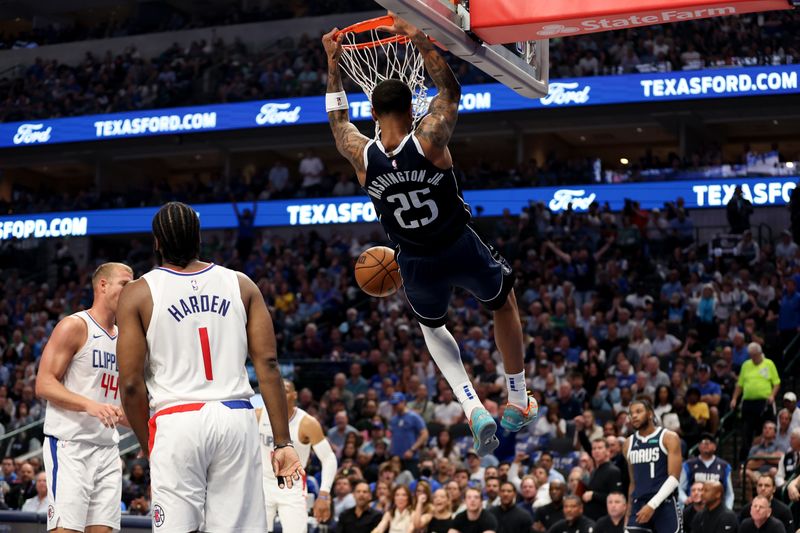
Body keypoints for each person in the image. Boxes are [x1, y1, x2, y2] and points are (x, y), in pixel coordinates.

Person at [323, 13, 536, 457]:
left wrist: (333, 62)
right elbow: (450, 92)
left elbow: (337, 119)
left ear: (374, 113)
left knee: (431, 327)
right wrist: (419, 38)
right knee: (503, 301)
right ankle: (516, 399)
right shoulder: (430, 138)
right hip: (459, 243)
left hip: (414, 261)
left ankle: (472, 406)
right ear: (410, 107)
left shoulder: (360, 153)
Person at [117, 201, 304, 532]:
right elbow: (268, 365)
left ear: (156, 242)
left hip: (176, 419)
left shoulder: (138, 293)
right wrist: (282, 442)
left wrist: (149, 447)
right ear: (199, 238)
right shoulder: (241, 284)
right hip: (235, 415)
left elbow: (130, 383)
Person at [35, 262, 133, 532]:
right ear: (103, 285)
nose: (131, 290)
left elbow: (118, 405)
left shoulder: (127, 338)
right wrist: (90, 405)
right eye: (124, 284)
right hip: (71, 447)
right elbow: (43, 383)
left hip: (107, 449)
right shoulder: (75, 326)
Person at [257, 379, 339, 532]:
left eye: (285, 390)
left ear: (294, 395)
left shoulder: (307, 423)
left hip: (292, 486)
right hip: (263, 482)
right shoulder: (259, 415)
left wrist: (324, 494)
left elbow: (329, 458)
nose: (279, 393)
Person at [624, 398, 682, 533]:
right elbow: (633, 482)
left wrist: (652, 505)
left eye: (638, 411)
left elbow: (674, 478)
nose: (634, 416)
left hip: (664, 503)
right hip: (639, 504)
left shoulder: (668, 437)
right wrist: (628, 512)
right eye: (631, 413)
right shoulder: (628, 443)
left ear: (650, 414)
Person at [730, 343, 781, 462]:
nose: (753, 358)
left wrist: (772, 395)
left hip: (764, 403)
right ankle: (744, 461)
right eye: (751, 355)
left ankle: (765, 458)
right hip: (748, 403)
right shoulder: (746, 365)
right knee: (746, 432)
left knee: (765, 431)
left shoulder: (769, 364)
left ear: (759, 353)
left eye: (754, 355)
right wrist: (734, 398)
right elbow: (740, 384)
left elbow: (777, 383)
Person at [679, 433, 734, 509]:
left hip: (717, 508)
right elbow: (680, 488)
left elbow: (729, 493)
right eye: (702, 442)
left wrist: (728, 509)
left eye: (709, 442)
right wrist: (685, 499)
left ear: (715, 446)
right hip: (694, 507)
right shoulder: (688, 465)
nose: (706, 444)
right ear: (698, 446)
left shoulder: (724, 466)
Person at [582, 438, 623, 521]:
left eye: (600, 448)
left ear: (608, 451)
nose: (596, 451)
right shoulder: (594, 471)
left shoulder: (613, 471)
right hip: (591, 518)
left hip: (604, 519)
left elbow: (616, 498)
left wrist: (594, 495)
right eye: (594, 448)